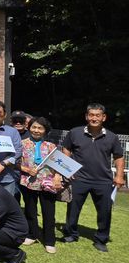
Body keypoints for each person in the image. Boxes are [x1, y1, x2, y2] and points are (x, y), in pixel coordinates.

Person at [61, 104, 125, 252]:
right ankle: (70, 234)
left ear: (104, 117)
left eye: (97, 115)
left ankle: (101, 239)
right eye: (91, 115)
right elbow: (66, 149)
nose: (94, 118)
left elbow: (119, 157)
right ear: (86, 116)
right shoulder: (75, 132)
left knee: (105, 212)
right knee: (73, 209)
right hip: (79, 178)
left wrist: (119, 176)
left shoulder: (112, 137)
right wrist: (67, 169)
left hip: (103, 181)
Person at [18, 117, 62, 253]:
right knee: (30, 210)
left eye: (40, 128)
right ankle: (32, 235)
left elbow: (58, 165)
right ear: (29, 128)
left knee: (48, 212)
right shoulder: (21, 144)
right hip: (28, 182)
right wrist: (26, 169)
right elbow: (15, 163)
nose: (36, 130)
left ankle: (49, 240)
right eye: (34, 127)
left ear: (45, 130)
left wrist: (57, 177)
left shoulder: (51, 146)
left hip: (47, 183)